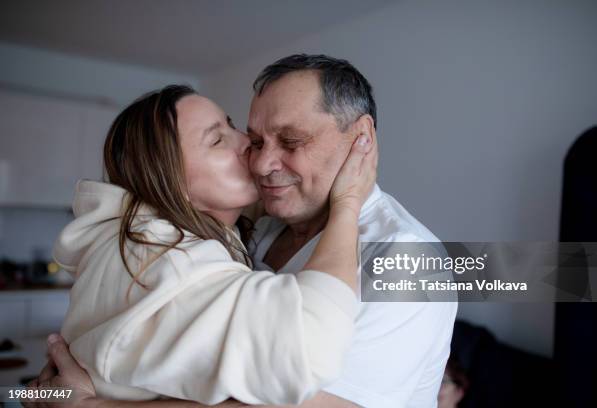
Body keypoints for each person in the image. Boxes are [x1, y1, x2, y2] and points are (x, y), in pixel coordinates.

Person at [29, 54, 457, 408]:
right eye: (254, 139)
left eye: (290, 142)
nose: (259, 161)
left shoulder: (409, 258)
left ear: (360, 136)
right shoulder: (259, 225)